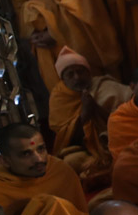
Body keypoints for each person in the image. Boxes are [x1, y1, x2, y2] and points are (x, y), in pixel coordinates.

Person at [47, 46, 130, 182]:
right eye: (70, 74)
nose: (77, 77)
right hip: (86, 150)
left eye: (81, 72)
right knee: (70, 162)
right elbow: (65, 138)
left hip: (115, 141)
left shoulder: (104, 86)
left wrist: (98, 109)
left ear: (89, 72)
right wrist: (85, 114)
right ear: (63, 79)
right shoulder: (59, 97)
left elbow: (128, 114)